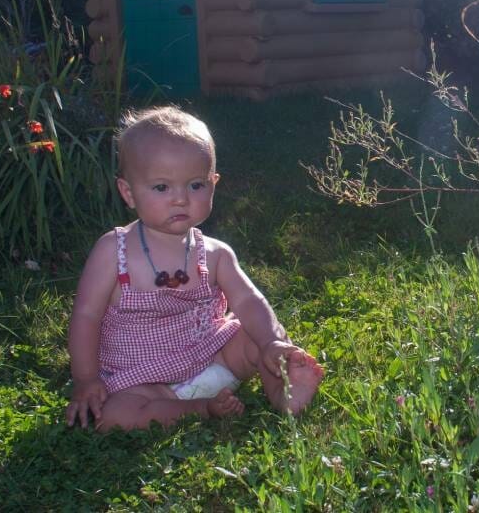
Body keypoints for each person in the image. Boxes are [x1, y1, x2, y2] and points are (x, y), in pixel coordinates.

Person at [65, 106, 323, 431]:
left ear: (213, 183)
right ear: (128, 192)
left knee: (253, 335)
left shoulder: (215, 254)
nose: (181, 199)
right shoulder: (113, 252)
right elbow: (86, 316)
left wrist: (271, 342)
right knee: (112, 416)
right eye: (162, 187)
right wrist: (86, 379)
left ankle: (284, 393)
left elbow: (249, 301)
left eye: (195, 185)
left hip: (214, 358)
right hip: (142, 379)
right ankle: (200, 408)